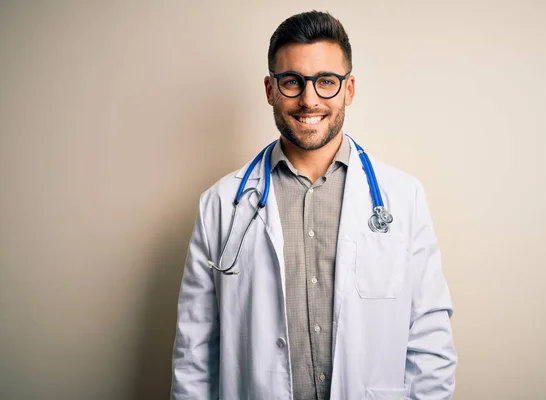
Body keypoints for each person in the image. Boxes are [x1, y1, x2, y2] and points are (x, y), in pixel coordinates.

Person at [171, 10, 456, 400]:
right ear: (270, 90)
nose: (309, 100)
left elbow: (430, 342)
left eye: (326, 82)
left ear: (349, 90)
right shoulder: (220, 205)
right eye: (292, 82)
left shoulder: (403, 198)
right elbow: (194, 353)